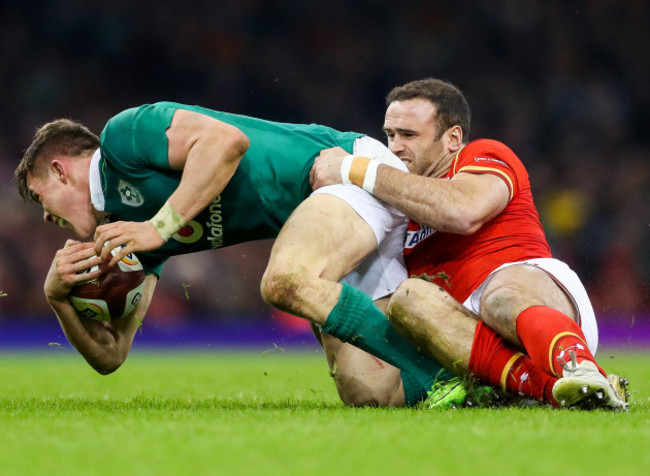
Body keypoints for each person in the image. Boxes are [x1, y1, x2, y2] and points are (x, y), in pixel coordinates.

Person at [15, 102, 453, 409]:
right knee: (372, 394)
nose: (47, 219)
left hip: (339, 174)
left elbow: (226, 141)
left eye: (40, 199)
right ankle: (480, 369)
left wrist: (158, 228)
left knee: (283, 281)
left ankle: (438, 379)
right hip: (330, 226)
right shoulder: (127, 233)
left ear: (59, 170)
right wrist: (58, 299)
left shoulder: (124, 137)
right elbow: (112, 355)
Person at [310, 78, 628, 410]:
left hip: (536, 299)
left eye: (409, 135)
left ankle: (584, 370)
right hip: (466, 337)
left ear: (453, 138)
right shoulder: (399, 211)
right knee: (405, 305)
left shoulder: (483, 155)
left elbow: (462, 212)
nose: (394, 148)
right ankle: (549, 392)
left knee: (499, 297)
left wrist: (354, 169)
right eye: (390, 135)